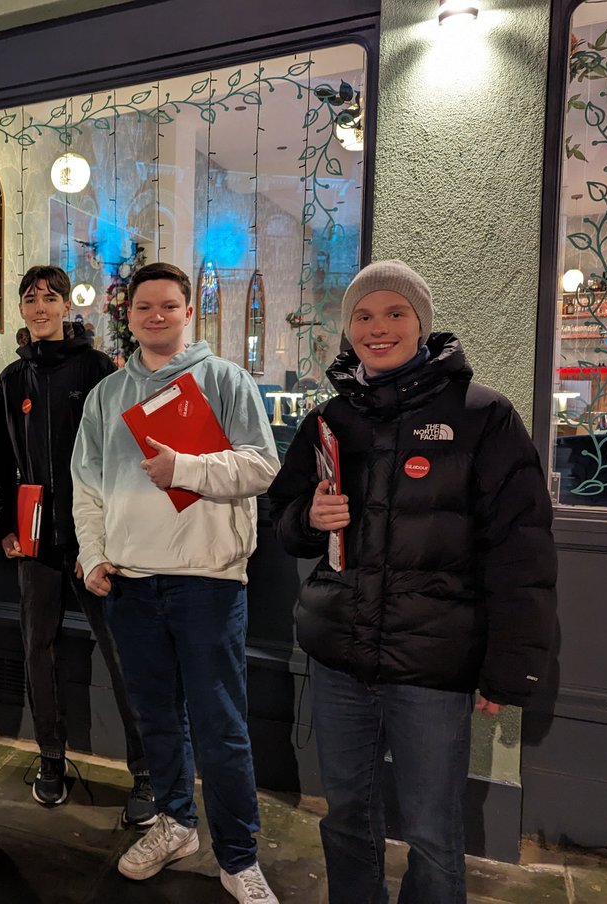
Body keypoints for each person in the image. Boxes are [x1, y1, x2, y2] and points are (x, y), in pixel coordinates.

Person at [267, 260, 557, 904]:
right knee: (345, 818)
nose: (378, 328)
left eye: (395, 313)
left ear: (422, 323)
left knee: (431, 833)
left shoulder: (484, 416)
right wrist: (308, 518)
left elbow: (522, 551)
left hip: (431, 667)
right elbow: (284, 523)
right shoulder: (328, 419)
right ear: (348, 330)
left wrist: (510, 666)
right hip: (340, 658)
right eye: (363, 316)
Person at [71, 262, 281, 903]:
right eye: (143, 308)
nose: (155, 317)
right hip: (131, 583)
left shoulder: (224, 380)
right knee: (155, 718)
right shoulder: (107, 395)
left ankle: (239, 856)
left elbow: (263, 466)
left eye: (168, 306)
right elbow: (86, 482)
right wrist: (92, 554)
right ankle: (175, 823)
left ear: (188, 311)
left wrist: (184, 467)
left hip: (206, 583)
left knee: (220, 726)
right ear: (127, 315)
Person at [0, 265, 155, 823]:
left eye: (49, 298)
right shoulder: (12, 381)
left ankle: (146, 772)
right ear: (22, 310)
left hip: (94, 542)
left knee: (123, 653)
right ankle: (51, 757)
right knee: (39, 650)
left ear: (65, 308)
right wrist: (2, 524)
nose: (39, 307)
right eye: (30, 298)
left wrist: (104, 537)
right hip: (35, 541)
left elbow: (121, 459)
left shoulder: (99, 371)